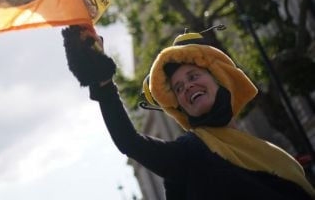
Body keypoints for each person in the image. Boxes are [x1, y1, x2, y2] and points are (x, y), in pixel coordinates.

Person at [61, 25, 315, 199]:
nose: (187, 86)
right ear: (181, 106)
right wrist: (103, 81)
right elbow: (131, 142)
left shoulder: (273, 153)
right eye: (179, 87)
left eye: (193, 76)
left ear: (220, 80)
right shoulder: (191, 153)